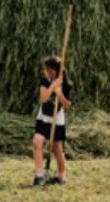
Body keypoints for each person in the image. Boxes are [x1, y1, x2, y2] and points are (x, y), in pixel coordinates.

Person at [32, 55, 72, 186]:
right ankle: (39, 175)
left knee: (57, 149)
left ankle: (61, 176)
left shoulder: (66, 84)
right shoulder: (45, 80)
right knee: (37, 142)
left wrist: (59, 93)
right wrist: (52, 86)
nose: (46, 71)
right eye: (46, 69)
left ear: (55, 70)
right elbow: (43, 99)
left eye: (48, 69)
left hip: (57, 119)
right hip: (43, 117)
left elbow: (67, 106)